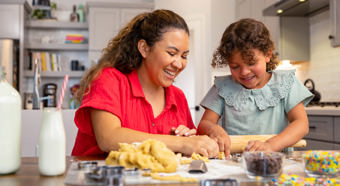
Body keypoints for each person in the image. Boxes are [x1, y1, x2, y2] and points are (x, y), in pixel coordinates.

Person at [71, 9, 219, 158]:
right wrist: (179, 143)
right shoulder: (109, 80)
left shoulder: (178, 97)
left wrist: (187, 140)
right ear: (144, 48)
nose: (179, 64)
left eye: (184, 56)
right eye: (172, 53)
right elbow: (108, 138)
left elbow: (187, 147)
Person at [197, 18, 313, 157]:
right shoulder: (223, 87)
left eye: (251, 63)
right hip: (232, 164)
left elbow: (301, 123)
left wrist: (272, 145)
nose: (244, 72)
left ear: (268, 55)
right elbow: (204, 123)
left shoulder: (286, 83)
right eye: (235, 66)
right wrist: (214, 129)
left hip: (275, 160)